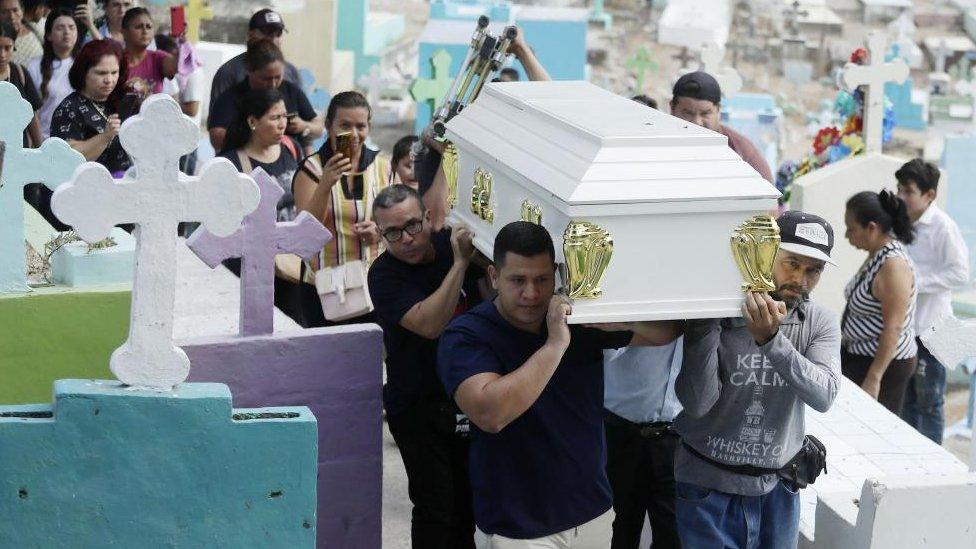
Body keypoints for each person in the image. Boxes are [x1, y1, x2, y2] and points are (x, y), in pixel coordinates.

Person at [437, 221, 682, 547]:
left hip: (592, 513)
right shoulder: (467, 335)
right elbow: (490, 413)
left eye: (542, 279)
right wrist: (555, 345)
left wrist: (622, 318)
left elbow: (668, 332)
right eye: (517, 280)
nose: (531, 293)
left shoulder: (576, 320)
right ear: (494, 276)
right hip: (518, 527)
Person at [673, 211, 840, 548]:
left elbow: (824, 395)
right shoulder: (719, 310)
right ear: (765, 254)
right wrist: (707, 322)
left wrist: (771, 342)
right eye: (791, 263)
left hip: (778, 488)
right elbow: (697, 402)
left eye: (813, 270)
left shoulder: (818, 321)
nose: (800, 280)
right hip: (708, 486)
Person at [369, 185, 485, 548]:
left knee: (467, 506)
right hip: (415, 405)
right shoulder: (384, 275)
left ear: (428, 219)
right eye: (392, 232)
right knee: (435, 507)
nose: (406, 238)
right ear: (380, 234)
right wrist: (462, 264)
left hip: (464, 398)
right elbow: (430, 324)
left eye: (412, 226)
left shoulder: (452, 245)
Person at [419, 27, 550, 232]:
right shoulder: (446, 151)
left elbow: (553, 105)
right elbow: (435, 220)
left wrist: (522, 50)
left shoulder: (517, 156)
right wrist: (449, 154)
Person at [292, 90, 389, 327]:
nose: (353, 134)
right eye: (345, 125)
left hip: (372, 285)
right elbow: (305, 233)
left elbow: (397, 220)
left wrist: (379, 230)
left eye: (360, 126)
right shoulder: (312, 169)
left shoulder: (382, 166)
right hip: (324, 288)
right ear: (328, 127)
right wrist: (325, 184)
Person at [895, 160, 970, 442]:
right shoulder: (902, 224)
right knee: (906, 403)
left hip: (937, 330)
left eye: (909, 191)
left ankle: (934, 471)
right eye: (899, 189)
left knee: (931, 403)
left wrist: (916, 283)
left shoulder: (944, 227)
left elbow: (961, 273)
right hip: (907, 329)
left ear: (930, 196)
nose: (901, 196)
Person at [842, 190, 918, 414]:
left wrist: (874, 377)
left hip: (883, 364)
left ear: (872, 228)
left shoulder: (893, 265)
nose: (847, 236)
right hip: (859, 355)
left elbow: (893, 327)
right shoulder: (877, 253)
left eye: (851, 229)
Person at [603, 338, 682, 547]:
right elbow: (605, 353)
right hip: (620, 432)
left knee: (673, 534)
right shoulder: (638, 306)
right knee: (621, 528)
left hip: (677, 436)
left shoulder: (701, 310)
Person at [207, 38, 321, 154]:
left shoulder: (291, 91)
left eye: (277, 77)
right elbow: (216, 138)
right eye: (265, 78)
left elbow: (319, 127)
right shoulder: (231, 97)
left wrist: (304, 126)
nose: (272, 84)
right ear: (249, 70)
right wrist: (257, 134)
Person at [670, 71, 772, 183]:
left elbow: (771, 197)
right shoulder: (656, 143)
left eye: (705, 113)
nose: (697, 122)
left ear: (718, 111)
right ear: (672, 108)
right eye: (688, 113)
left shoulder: (742, 152)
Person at [51, 38, 129, 176]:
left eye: (114, 72)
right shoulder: (68, 109)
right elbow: (68, 159)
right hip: (87, 190)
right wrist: (105, 137)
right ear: (83, 72)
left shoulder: (121, 100)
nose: (109, 80)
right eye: (101, 73)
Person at [208, 8, 302, 114]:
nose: (274, 39)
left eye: (279, 34)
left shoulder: (292, 71)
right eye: (268, 33)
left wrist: (303, 125)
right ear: (250, 35)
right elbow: (216, 124)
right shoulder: (229, 72)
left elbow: (309, 118)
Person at [27, 7, 78, 139]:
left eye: (72, 27)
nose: (67, 32)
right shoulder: (34, 66)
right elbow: (32, 112)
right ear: (49, 35)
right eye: (60, 28)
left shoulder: (85, 64)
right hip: (46, 140)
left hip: (80, 141)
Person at [0, 19, 42, 145]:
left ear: (14, 46)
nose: (2, 54)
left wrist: (41, 151)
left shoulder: (20, 73)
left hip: (18, 150)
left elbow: (32, 117)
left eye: (7, 48)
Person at [119, 7, 174, 100]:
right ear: (124, 31)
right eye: (138, 27)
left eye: (149, 27)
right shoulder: (114, 60)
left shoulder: (158, 58)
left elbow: (178, 66)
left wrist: (179, 42)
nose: (145, 31)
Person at [0, 0, 42, 65]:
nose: (11, 16)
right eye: (5, 12)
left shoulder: (38, 30)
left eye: (15, 10)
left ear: (22, 11)